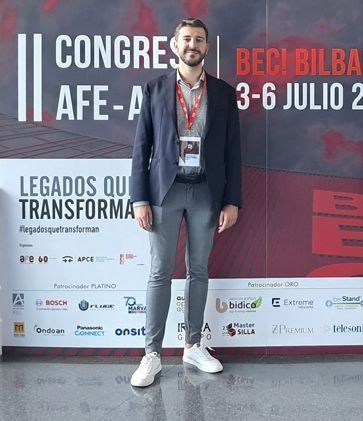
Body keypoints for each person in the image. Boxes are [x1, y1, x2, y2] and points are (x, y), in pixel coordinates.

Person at [129, 17, 241, 387]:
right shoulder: (155, 89)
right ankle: (151, 354)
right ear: (175, 45)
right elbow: (141, 147)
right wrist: (139, 198)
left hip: (206, 192)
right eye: (187, 39)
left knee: (199, 270)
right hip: (165, 192)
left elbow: (233, 152)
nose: (193, 45)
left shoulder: (223, 93)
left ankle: (193, 345)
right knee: (160, 271)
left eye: (199, 39)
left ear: (207, 47)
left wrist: (232, 201)